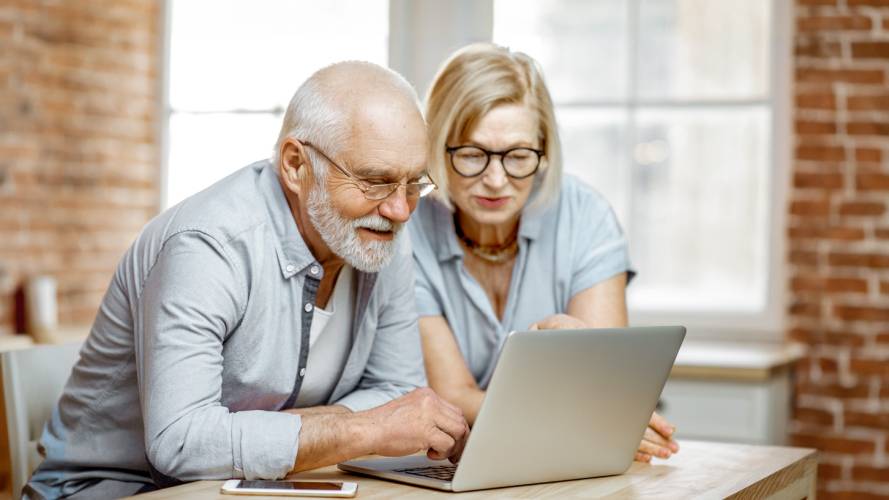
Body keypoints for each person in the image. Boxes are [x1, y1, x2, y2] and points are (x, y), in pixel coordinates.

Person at [25, 62, 468, 499]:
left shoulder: (382, 234)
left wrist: (297, 435)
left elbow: (397, 392)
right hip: (112, 490)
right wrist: (361, 429)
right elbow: (182, 442)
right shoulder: (207, 244)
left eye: (414, 183)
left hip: (256, 487)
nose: (400, 210)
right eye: (374, 181)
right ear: (295, 165)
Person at [408, 43, 678, 463]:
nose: (496, 179)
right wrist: (583, 416)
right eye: (472, 155)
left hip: (564, 458)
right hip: (457, 457)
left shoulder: (585, 216)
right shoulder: (410, 230)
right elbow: (452, 396)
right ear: (437, 148)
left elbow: (604, 386)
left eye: (518, 156)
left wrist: (598, 402)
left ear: (545, 152)